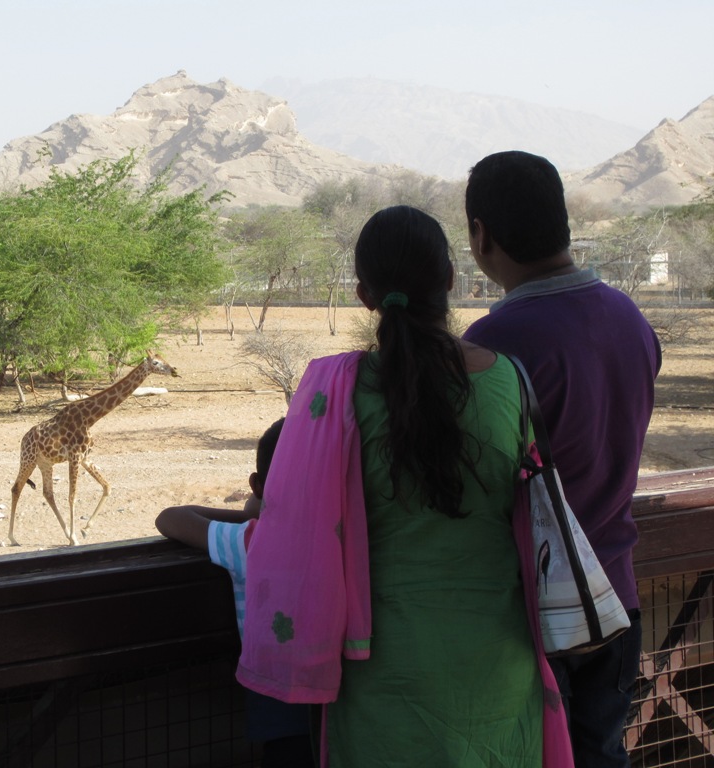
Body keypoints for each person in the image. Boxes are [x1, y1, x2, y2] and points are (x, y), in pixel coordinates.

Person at [237, 205, 570, 767]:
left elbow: (288, 522)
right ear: (450, 281)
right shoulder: (509, 380)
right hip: (497, 659)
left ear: (365, 296)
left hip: (381, 670)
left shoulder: (333, 391)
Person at [462, 150, 662, 768]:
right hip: (615, 594)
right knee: (602, 754)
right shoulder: (630, 318)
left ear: (480, 235)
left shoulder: (493, 346)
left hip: (531, 608)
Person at [155, 418, 315, 768]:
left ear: (257, 485)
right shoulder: (347, 537)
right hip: (349, 702)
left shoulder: (250, 540)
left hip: (279, 705)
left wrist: (255, 513)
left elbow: (171, 518)